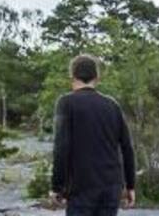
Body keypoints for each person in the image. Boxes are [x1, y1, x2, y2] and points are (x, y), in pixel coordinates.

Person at [49, 54, 137, 215]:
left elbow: (61, 147)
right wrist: (130, 185)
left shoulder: (66, 103)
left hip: (81, 188)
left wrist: (57, 187)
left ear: (72, 76)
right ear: (97, 77)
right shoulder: (112, 105)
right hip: (110, 187)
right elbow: (127, 148)